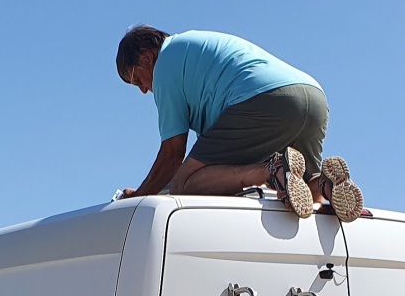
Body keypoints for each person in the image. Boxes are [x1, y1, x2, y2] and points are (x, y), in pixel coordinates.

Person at [114, 26, 363, 222]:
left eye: (138, 81)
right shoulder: (191, 52)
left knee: (184, 185)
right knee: (301, 187)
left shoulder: (165, 64)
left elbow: (172, 154)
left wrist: (138, 197)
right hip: (312, 97)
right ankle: (327, 184)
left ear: (147, 58)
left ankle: (273, 169)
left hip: (264, 99)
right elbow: (215, 172)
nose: (144, 90)